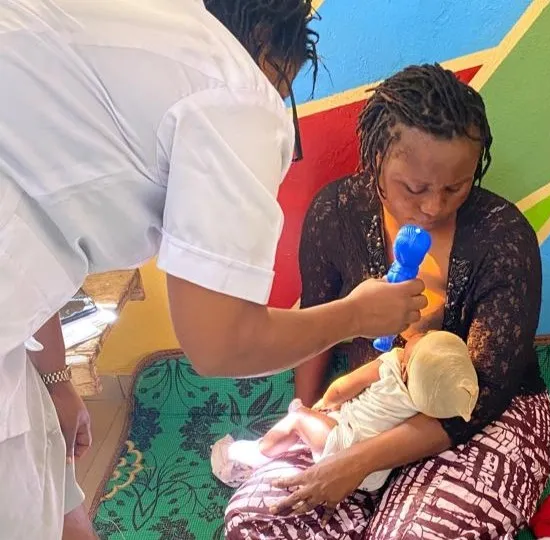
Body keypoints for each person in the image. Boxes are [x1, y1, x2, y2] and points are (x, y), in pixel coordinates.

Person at [0, 0, 426, 538]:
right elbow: (221, 344)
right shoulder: (238, 90)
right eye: (283, 89)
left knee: (53, 490)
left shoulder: (129, 35)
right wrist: (355, 317)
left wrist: (55, 378)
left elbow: (30, 195)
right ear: (268, 42)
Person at [225, 64, 550, 539]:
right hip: (369, 404)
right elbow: (315, 325)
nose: (434, 207)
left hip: (477, 417)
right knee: (258, 519)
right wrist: (308, 410)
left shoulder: (503, 237)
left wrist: (355, 463)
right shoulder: (337, 212)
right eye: (414, 188)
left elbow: (479, 397)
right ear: (376, 157)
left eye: (455, 187)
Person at [211, 331, 478, 493]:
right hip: (375, 472)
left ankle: (253, 454)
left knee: (297, 419)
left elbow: (343, 387)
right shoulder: (427, 403)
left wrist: (325, 403)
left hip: (342, 443)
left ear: (407, 368)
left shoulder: (392, 365)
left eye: (422, 341)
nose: (422, 335)